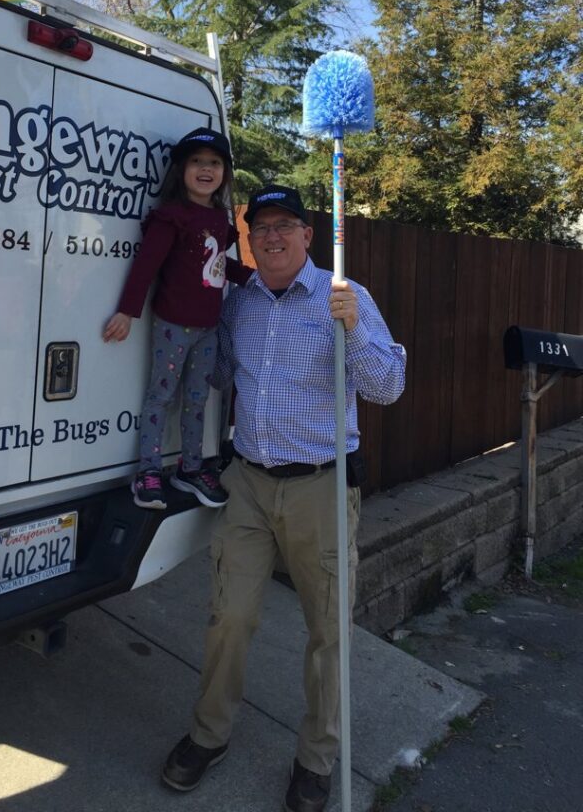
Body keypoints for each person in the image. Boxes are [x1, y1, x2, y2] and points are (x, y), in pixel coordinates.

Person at [161, 184, 406, 812]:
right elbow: (214, 371)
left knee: (328, 632)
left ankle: (316, 759)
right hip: (248, 481)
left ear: (307, 235)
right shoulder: (238, 303)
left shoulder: (342, 297)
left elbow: (386, 388)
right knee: (229, 616)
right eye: (260, 227)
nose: (271, 236)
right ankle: (208, 735)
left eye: (284, 226)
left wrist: (351, 329)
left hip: (319, 488)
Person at [103, 127, 252, 511]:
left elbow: (217, 266)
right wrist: (127, 311)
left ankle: (190, 469)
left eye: (215, 163)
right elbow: (146, 266)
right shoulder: (172, 217)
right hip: (173, 324)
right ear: (181, 170)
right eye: (197, 162)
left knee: (198, 401)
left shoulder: (219, 219)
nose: (206, 169)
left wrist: (254, 278)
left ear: (225, 173)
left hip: (208, 327)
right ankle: (148, 473)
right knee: (161, 398)